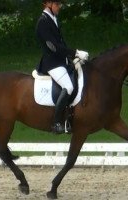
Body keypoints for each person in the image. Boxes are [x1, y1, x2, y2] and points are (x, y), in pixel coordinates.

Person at [36, 0, 89, 134]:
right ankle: (56, 122)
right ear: (48, 4)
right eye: (57, 4)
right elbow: (53, 47)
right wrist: (75, 52)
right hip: (52, 63)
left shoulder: (53, 19)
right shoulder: (43, 22)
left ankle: (69, 119)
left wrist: (73, 58)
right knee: (68, 87)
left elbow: (62, 44)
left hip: (62, 61)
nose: (59, 7)